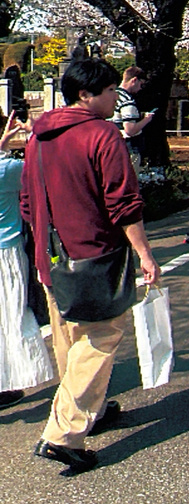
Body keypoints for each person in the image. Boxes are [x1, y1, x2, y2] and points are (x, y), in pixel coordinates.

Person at [20, 58, 161, 473]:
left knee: (69, 337)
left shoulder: (39, 136)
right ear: (86, 95)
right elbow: (123, 202)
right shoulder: (102, 134)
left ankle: (89, 411)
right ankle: (63, 435)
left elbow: (27, 202)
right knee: (101, 336)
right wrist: (145, 253)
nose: (115, 97)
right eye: (110, 90)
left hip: (50, 255)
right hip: (94, 253)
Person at [0, 115, 53, 409]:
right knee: (13, 315)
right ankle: (11, 379)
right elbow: (43, 166)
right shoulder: (10, 169)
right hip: (6, 253)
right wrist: (34, 133)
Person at [112, 66, 156, 170]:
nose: (140, 88)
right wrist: (146, 119)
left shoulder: (111, 96)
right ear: (134, 80)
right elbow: (130, 130)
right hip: (129, 148)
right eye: (141, 84)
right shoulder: (127, 101)